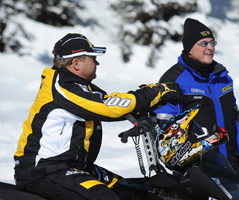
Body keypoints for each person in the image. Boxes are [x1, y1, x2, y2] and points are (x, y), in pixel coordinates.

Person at [14, 33, 182, 200]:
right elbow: (108, 107)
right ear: (76, 63)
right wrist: (159, 91)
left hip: (73, 167)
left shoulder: (79, 86)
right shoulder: (63, 87)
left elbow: (110, 104)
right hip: (45, 170)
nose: (97, 63)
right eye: (93, 59)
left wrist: (141, 114)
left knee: (133, 191)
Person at [154, 18, 239, 189]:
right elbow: (166, 131)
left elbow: (235, 119)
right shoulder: (174, 80)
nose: (210, 48)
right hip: (197, 174)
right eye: (204, 43)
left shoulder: (223, 77)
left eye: (212, 42)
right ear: (189, 48)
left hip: (231, 167)